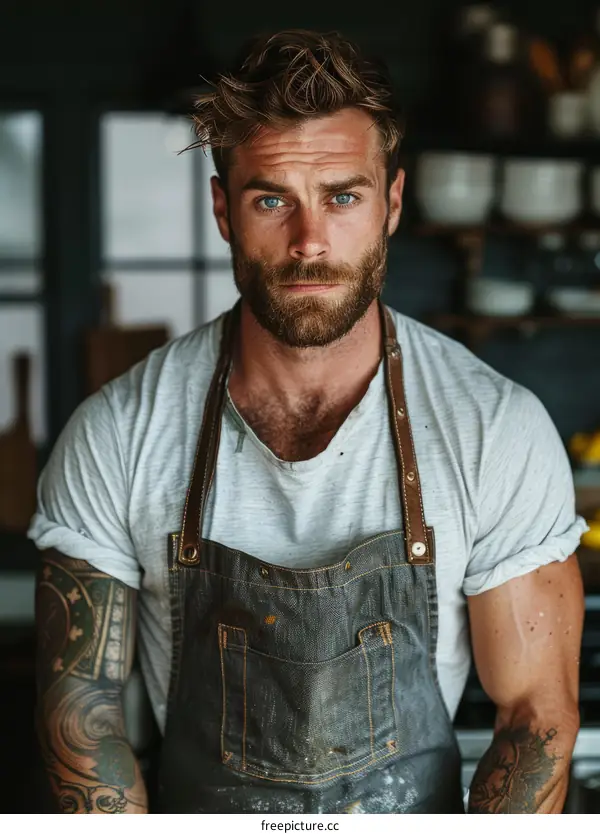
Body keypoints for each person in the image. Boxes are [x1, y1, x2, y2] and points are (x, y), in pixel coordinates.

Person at [30, 29, 587, 815]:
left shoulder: (494, 429)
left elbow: (537, 723)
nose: (310, 241)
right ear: (223, 210)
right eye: (271, 199)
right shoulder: (119, 433)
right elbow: (81, 727)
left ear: (391, 204)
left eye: (343, 196)